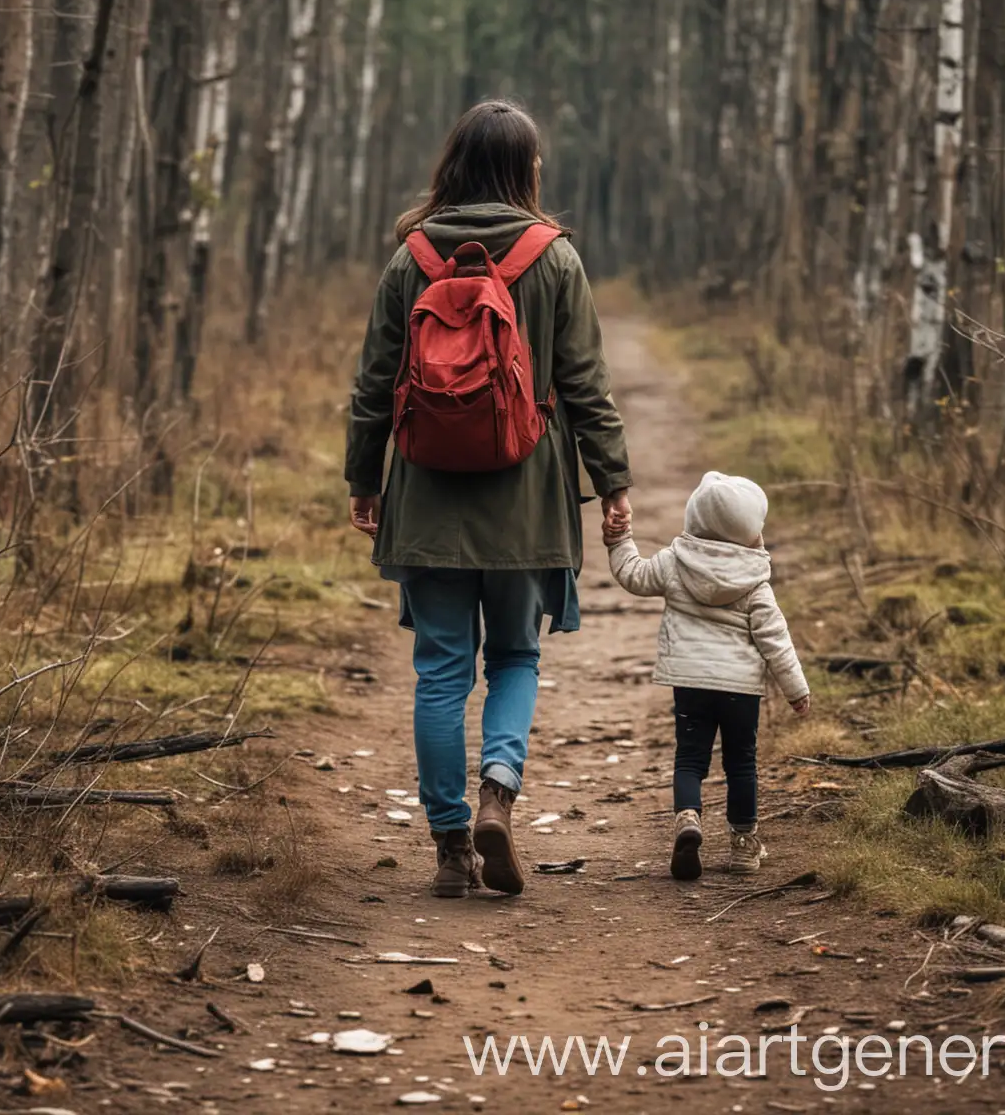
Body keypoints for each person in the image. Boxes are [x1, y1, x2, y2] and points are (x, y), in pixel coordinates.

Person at [346, 101, 633, 899]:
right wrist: (612, 483)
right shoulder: (555, 258)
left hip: (428, 496)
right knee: (514, 656)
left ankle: (447, 848)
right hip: (527, 499)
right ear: (525, 169)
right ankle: (497, 794)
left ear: (454, 163)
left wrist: (362, 481)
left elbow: (375, 385)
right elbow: (585, 387)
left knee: (440, 671)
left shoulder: (410, 260)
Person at [602, 470, 810, 880]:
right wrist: (796, 690)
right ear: (752, 531)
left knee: (690, 758)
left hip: (690, 684)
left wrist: (619, 540)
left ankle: (688, 819)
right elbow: (776, 641)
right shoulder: (755, 581)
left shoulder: (675, 561)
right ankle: (744, 846)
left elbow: (633, 575)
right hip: (739, 691)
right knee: (741, 762)